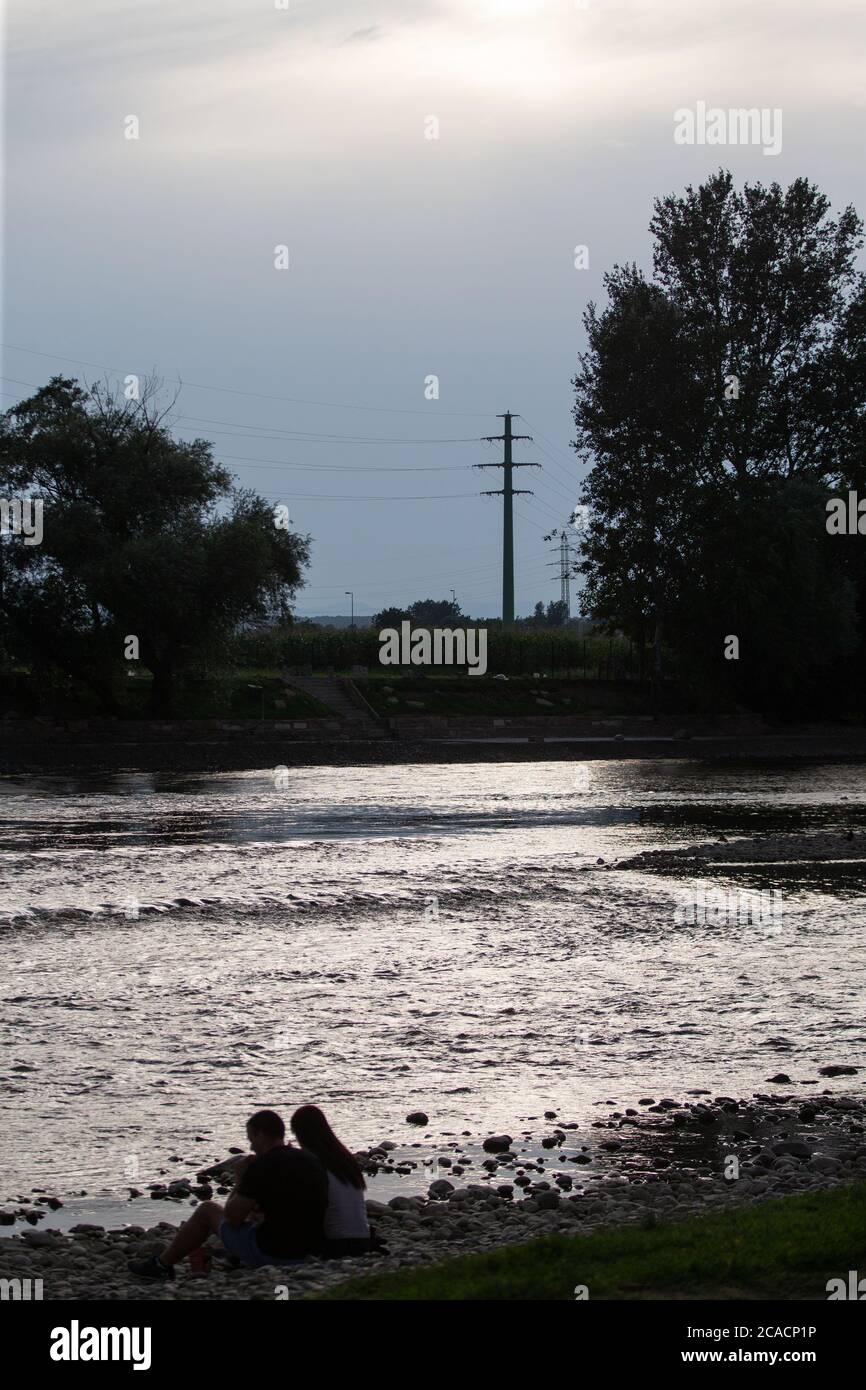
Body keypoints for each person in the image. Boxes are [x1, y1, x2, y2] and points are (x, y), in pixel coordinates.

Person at [129, 1109, 327, 1281]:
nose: (251, 1148)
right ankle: (233, 1256)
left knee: (207, 1209)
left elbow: (232, 1217)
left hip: (276, 1253)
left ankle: (161, 1265)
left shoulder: (263, 1165)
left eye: (251, 1140)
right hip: (312, 1250)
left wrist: (240, 1178)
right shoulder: (309, 1160)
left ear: (260, 1135)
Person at [290, 1104, 379, 1257]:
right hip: (363, 1239)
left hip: (337, 1243)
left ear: (301, 1134)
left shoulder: (313, 1164)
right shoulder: (343, 1159)